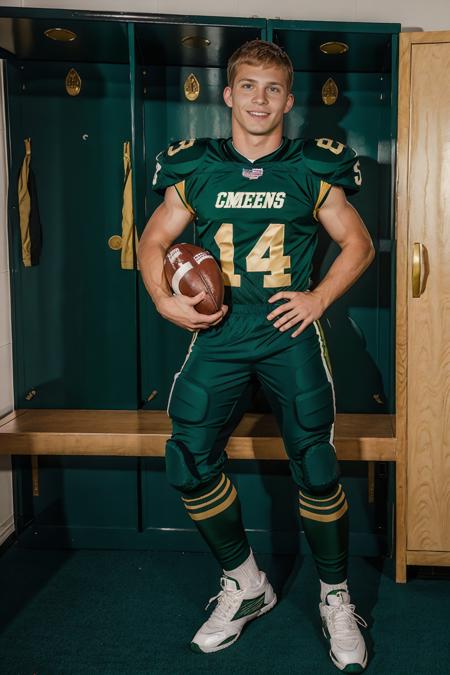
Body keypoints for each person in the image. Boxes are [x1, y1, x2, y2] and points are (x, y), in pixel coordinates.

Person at [138, 39, 374, 673]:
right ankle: (246, 584)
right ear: (228, 95)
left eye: (272, 89)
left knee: (317, 465)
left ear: (289, 100)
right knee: (186, 457)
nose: (259, 99)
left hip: (284, 329)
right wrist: (163, 300)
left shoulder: (311, 166)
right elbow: (154, 238)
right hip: (218, 330)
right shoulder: (197, 167)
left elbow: (357, 242)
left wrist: (320, 297)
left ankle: (335, 597)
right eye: (248, 86)